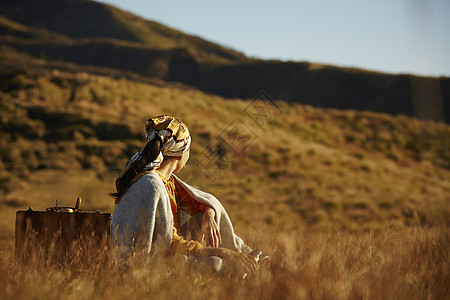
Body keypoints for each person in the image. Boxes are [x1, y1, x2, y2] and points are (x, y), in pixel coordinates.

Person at [110, 115, 257, 273]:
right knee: (214, 262)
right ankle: (240, 266)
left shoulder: (166, 180)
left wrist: (208, 213)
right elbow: (170, 242)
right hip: (152, 263)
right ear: (181, 154)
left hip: (167, 254)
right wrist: (223, 252)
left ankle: (246, 257)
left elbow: (196, 201)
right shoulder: (153, 185)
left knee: (204, 218)